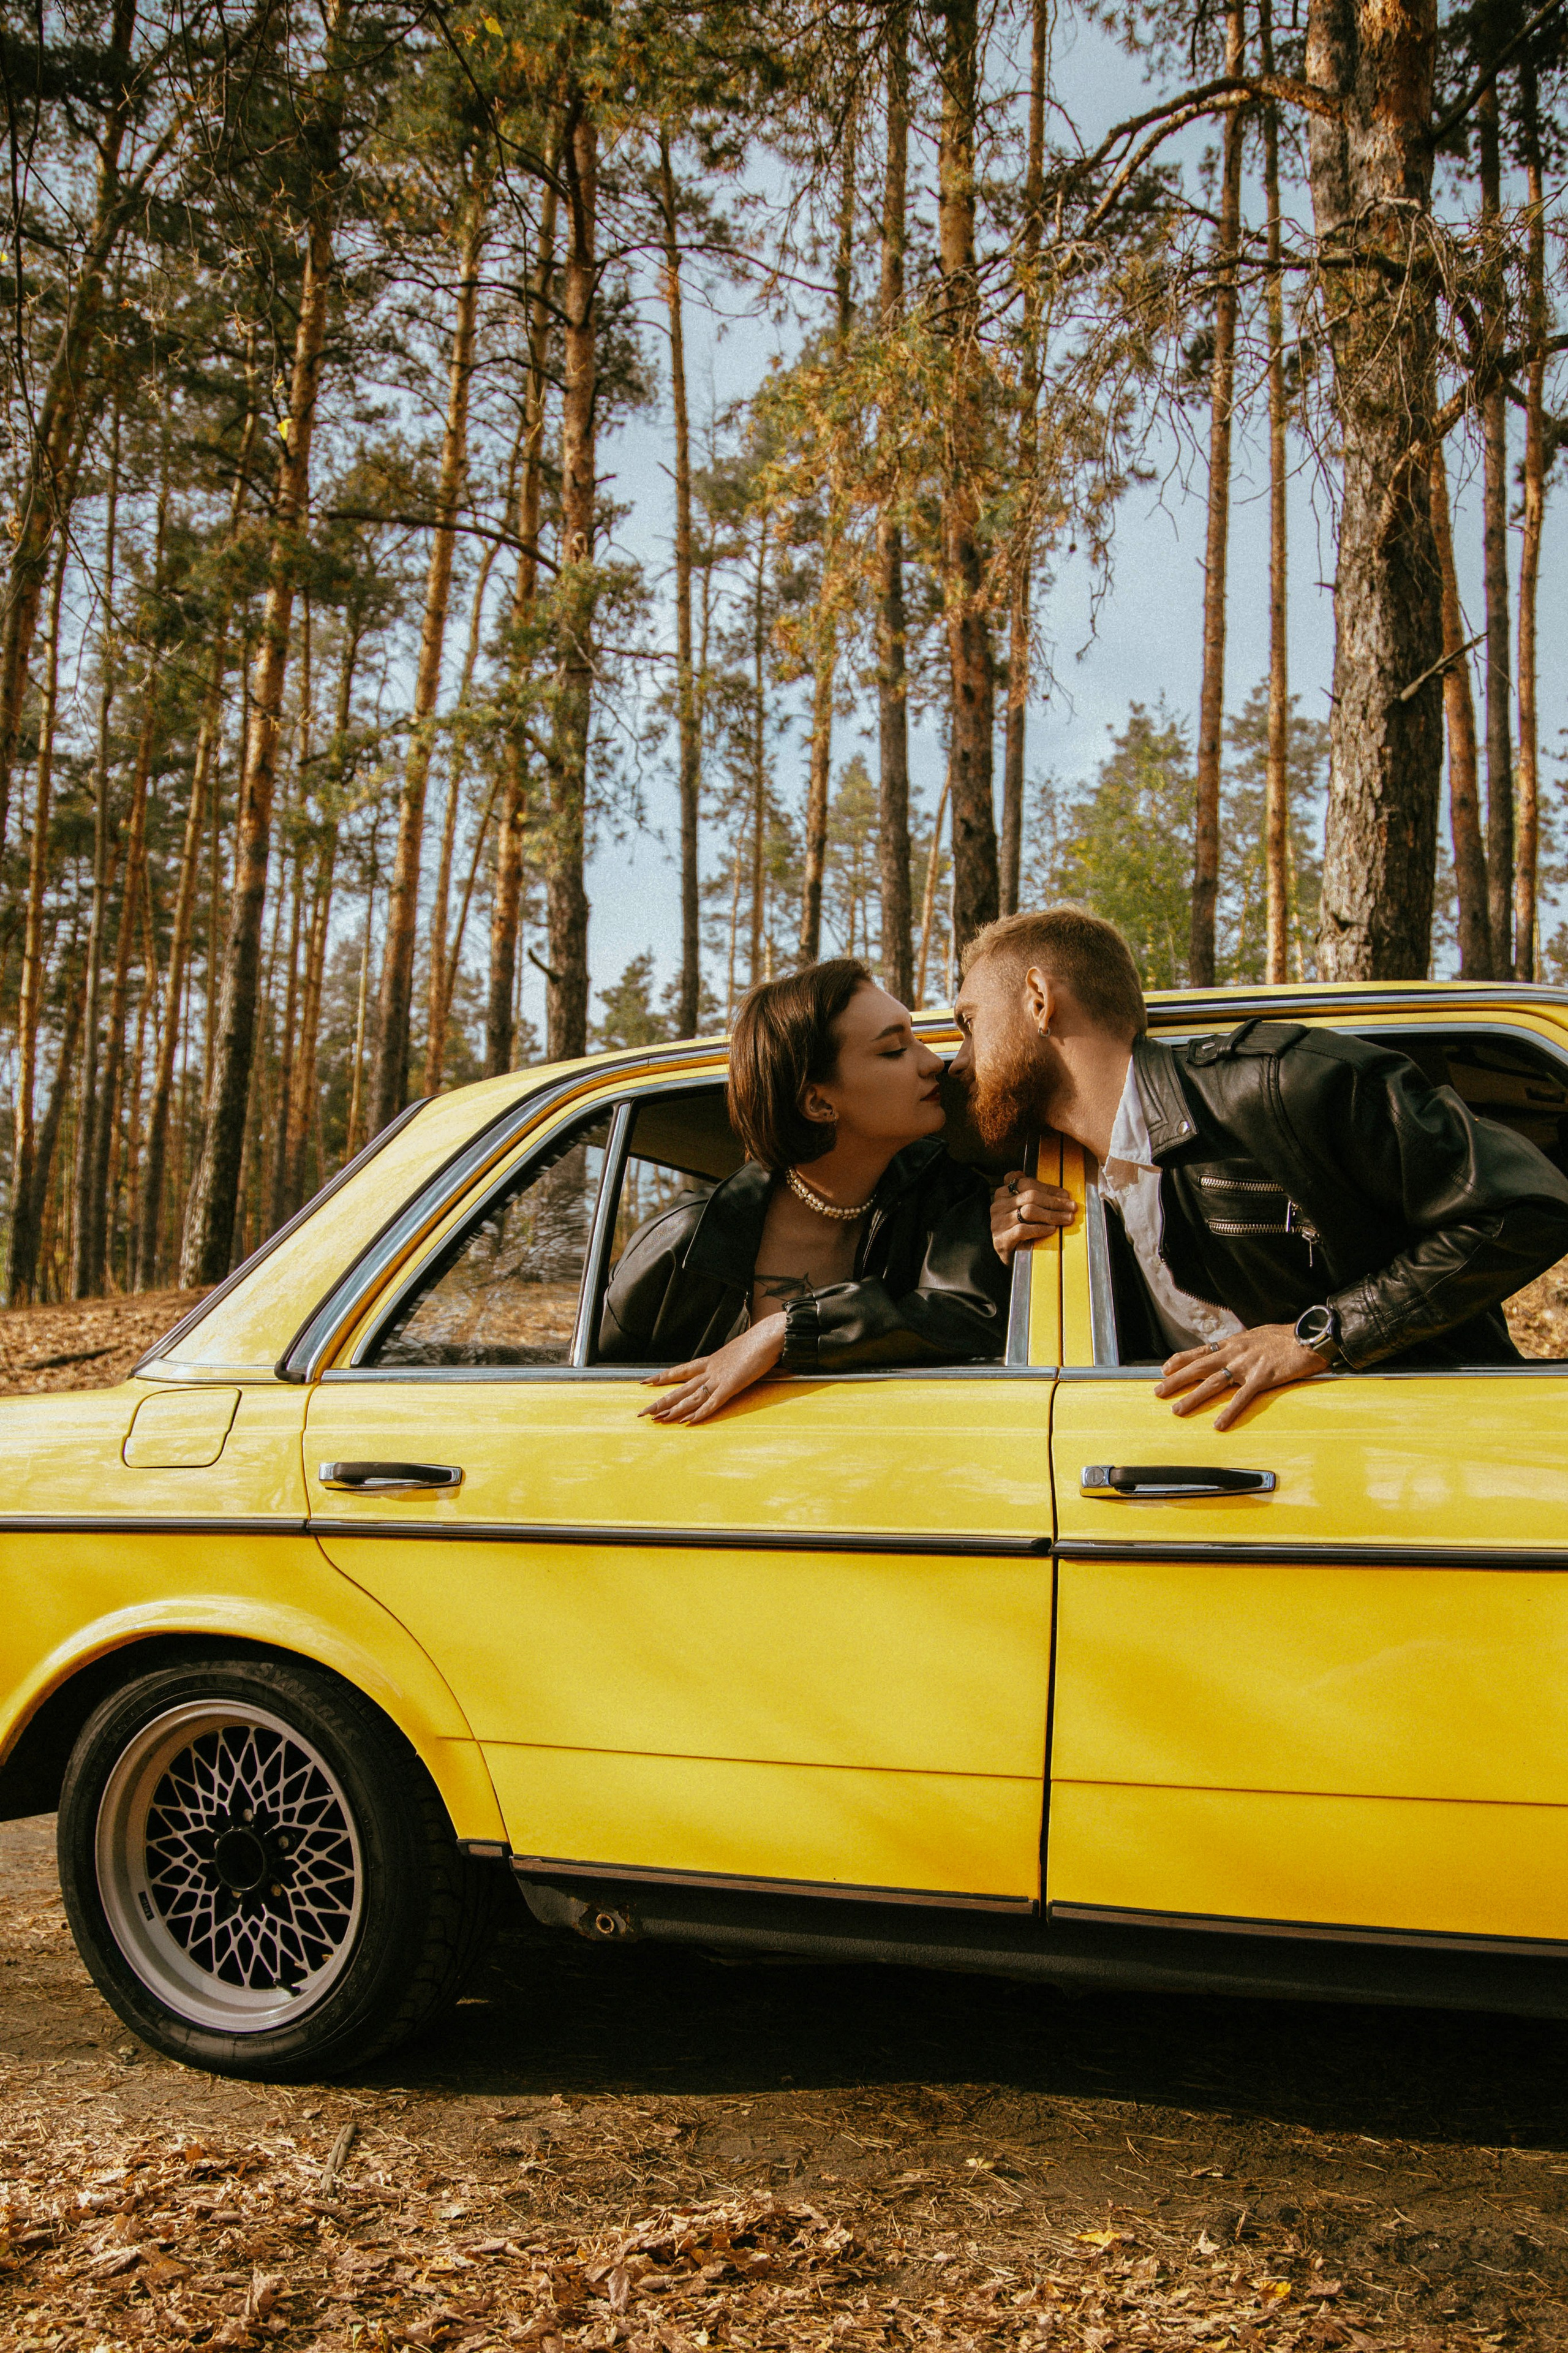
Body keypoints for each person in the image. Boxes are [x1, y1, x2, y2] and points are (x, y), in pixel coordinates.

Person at [948, 904, 1568, 1430]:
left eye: (969, 1023)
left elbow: (1529, 1204)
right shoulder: (1059, 1179)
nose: (957, 1060)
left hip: (1432, 1452)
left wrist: (1318, 1336)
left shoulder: (1279, 1082)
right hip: (1251, 1486)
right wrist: (1018, 1260)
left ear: (1038, 1000)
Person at [601, 958, 1011, 1422]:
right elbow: (599, 1405)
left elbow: (969, 1319)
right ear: (818, 1102)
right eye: (895, 1049)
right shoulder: (685, 1245)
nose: (932, 1061)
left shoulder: (947, 1202)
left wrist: (785, 1329)